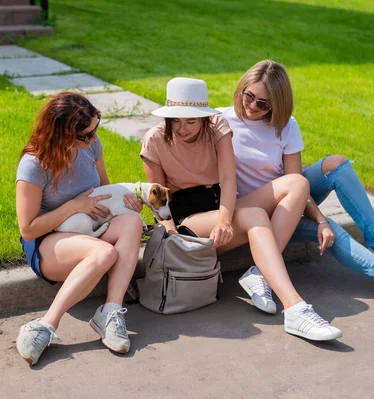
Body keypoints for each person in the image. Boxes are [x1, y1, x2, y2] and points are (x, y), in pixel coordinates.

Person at [221, 60, 374, 313]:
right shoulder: (222, 121)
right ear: (242, 88)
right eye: (249, 96)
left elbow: (294, 182)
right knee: (333, 230)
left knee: (337, 165)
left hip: (286, 208)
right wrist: (322, 221)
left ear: (277, 104)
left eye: (263, 103)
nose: (253, 106)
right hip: (252, 214)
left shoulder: (286, 126)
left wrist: (319, 220)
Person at [140, 77, 342, 341]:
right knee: (256, 215)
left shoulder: (217, 127)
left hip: (223, 211)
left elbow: (228, 179)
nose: (182, 128)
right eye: (175, 120)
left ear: (203, 117)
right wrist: (171, 237)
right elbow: (158, 199)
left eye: (190, 121)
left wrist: (224, 220)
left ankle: (261, 274)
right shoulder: (154, 140)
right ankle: (295, 307)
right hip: (188, 223)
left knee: (297, 182)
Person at [15, 92, 144, 366]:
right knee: (104, 254)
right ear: (60, 133)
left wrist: (127, 203)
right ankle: (45, 325)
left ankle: (109, 313)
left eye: (95, 130)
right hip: (48, 241)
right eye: (85, 135)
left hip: (90, 228)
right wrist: (75, 206)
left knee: (132, 221)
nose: (92, 138)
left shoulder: (92, 146)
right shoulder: (34, 164)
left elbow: (105, 191)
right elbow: (28, 229)